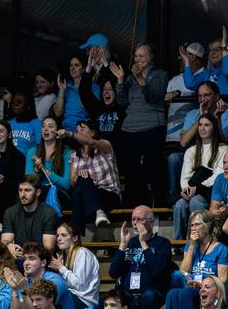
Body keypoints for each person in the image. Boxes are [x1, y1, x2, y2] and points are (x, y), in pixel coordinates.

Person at [113, 45, 170, 207]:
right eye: (136, 56)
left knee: (154, 167)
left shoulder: (160, 74)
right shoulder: (130, 78)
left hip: (152, 125)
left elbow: (154, 97)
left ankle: (159, 206)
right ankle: (135, 207)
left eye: (141, 56)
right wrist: (120, 80)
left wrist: (140, 78)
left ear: (150, 57)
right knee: (131, 170)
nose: (137, 59)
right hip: (129, 127)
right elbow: (122, 101)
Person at [66, 123, 123, 231]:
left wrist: (69, 133)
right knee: (82, 180)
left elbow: (91, 142)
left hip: (109, 194)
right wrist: (80, 175)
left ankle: (75, 230)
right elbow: (72, 182)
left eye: (82, 129)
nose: (79, 132)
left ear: (92, 133)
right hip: (87, 198)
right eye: (77, 131)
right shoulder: (74, 154)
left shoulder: (103, 145)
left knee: (78, 193)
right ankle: (99, 212)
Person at [0, 179, 60, 255]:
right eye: (20, 190)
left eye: (27, 190)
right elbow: (5, 241)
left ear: (38, 193)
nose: (23, 195)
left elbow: (48, 249)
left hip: (40, 259)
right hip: (18, 257)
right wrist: (9, 245)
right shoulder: (10, 212)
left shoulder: (49, 213)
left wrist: (28, 255)